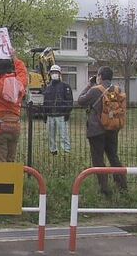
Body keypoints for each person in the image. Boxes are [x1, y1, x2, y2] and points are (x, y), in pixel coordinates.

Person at [77, 66, 128, 197]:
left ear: (99, 76)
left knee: (98, 160)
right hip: (112, 128)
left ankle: (104, 189)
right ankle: (122, 185)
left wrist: (89, 85)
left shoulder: (95, 90)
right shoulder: (117, 90)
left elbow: (80, 100)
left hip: (96, 130)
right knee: (113, 157)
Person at [42, 65, 73, 155]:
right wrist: (45, 115)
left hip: (61, 115)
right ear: (50, 74)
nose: (54, 74)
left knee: (64, 135)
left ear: (60, 74)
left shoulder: (65, 87)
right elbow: (45, 102)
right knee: (51, 135)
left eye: (56, 72)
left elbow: (69, 101)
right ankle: (53, 151)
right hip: (50, 116)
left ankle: (66, 151)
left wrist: (67, 112)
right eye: (52, 73)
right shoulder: (48, 87)